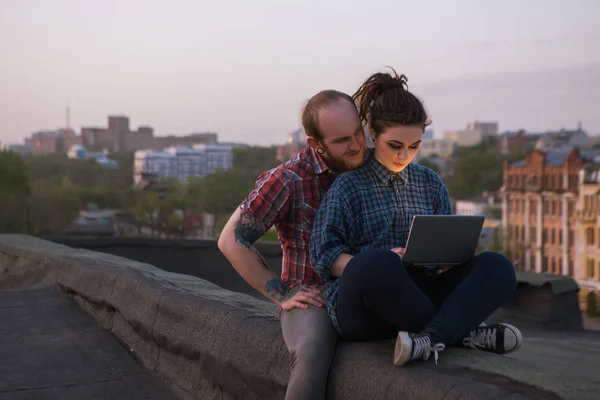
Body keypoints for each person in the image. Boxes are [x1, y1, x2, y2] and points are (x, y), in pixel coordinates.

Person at [309, 68, 523, 367]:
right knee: (376, 263)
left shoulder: (431, 183)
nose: (404, 156)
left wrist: (449, 257)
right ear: (374, 135)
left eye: (414, 146)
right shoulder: (348, 185)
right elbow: (323, 255)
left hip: (419, 293)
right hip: (363, 309)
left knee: (498, 267)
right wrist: (385, 260)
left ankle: (431, 338)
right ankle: (460, 333)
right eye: (395, 146)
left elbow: (445, 261)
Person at [218, 89, 367, 399]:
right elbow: (231, 240)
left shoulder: (372, 165)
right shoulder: (288, 179)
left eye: (358, 132)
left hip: (367, 289)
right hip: (314, 296)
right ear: (316, 144)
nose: (355, 145)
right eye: (341, 140)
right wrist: (282, 294)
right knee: (312, 351)